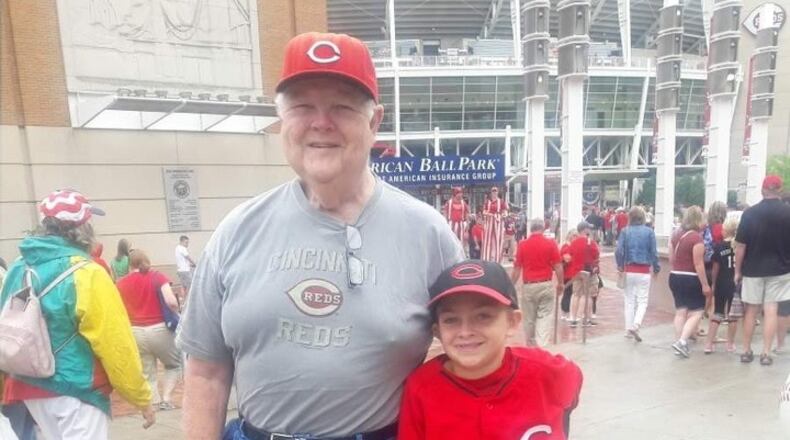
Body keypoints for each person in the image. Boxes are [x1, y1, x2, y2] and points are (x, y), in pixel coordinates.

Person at [176, 32, 464, 440]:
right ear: (282, 120)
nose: (320, 123)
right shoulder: (237, 230)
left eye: (342, 107)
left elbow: (475, 350)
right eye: (302, 106)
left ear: (375, 122)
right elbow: (205, 371)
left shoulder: (428, 233)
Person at [0, 189, 154, 438]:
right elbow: (115, 343)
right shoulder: (87, 273)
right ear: (83, 227)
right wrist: (140, 396)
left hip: (28, 385)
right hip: (78, 386)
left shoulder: (18, 267)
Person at [398, 260, 583, 440]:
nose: (465, 332)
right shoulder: (421, 389)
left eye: (483, 316)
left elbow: (572, 386)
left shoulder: (549, 371)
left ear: (512, 322)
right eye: (451, 320)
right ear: (437, 331)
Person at [116, 249, 182, 411]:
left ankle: (154, 402)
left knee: (147, 371)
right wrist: (177, 314)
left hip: (135, 331)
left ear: (129, 264)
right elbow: (171, 302)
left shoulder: (121, 283)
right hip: (159, 329)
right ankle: (166, 398)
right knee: (174, 365)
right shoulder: (157, 277)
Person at [735, 175, 790, 365]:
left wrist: (737, 271)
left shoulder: (750, 214)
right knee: (771, 309)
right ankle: (766, 353)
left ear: (762, 190)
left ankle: (746, 350)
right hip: (780, 269)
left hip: (753, 269)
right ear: (780, 190)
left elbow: (740, 246)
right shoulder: (787, 213)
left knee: (751, 310)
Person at [510, 218, 564, 347]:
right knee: (544, 316)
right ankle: (542, 345)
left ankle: (531, 345)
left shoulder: (522, 244)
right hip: (545, 284)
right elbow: (558, 266)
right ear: (543, 228)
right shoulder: (550, 243)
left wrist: (511, 285)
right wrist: (561, 283)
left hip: (529, 285)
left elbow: (517, 268)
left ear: (530, 228)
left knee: (529, 320)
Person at [668, 206, 712, 358]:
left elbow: (672, 259)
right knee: (697, 312)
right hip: (690, 277)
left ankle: (679, 341)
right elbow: (698, 263)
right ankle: (682, 342)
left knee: (681, 311)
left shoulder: (676, 235)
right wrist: (705, 285)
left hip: (675, 276)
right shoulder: (696, 238)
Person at [615, 206, 660, 342]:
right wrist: (656, 268)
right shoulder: (649, 232)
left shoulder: (625, 231)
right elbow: (654, 252)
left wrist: (620, 265)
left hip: (629, 269)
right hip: (644, 270)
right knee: (642, 300)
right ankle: (636, 324)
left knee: (629, 300)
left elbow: (619, 251)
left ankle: (628, 329)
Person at [704, 217, 740, 353]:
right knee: (733, 315)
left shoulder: (719, 247)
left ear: (726, 230)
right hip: (735, 283)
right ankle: (730, 344)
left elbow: (715, 269)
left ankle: (708, 343)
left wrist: (713, 283)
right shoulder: (739, 246)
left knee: (718, 312)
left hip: (721, 283)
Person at [566, 222, 600, 327]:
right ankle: (586, 318)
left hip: (576, 272)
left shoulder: (574, 242)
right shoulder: (591, 242)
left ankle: (573, 318)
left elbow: (570, 255)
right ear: (585, 230)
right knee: (588, 295)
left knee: (575, 294)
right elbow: (596, 255)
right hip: (589, 272)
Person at [481, 186, 508, 263]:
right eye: (493, 191)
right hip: (489, 221)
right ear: (491, 192)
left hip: (498, 221)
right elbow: (484, 211)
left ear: (497, 192)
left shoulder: (501, 201)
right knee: (487, 239)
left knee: (498, 240)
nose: (494, 192)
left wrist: (503, 215)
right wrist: (489, 214)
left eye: (495, 191)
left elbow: (505, 211)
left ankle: (498, 259)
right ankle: (486, 258)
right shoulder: (487, 202)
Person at [559, 230, 578, 321]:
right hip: (567, 274)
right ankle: (564, 312)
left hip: (572, 273)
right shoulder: (566, 247)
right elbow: (566, 259)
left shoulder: (571, 246)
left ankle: (567, 311)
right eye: (574, 236)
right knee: (568, 293)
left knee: (570, 293)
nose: (575, 238)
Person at [174, 235, 196, 300]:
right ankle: (191, 300)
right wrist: (194, 263)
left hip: (180, 270)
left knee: (183, 286)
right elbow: (188, 257)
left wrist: (190, 265)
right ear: (181, 241)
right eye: (186, 242)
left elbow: (182, 261)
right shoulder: (182, 248)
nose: (187, 244)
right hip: (185, 271)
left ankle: (184, 300)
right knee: (191, 286)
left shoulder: (177, 248)